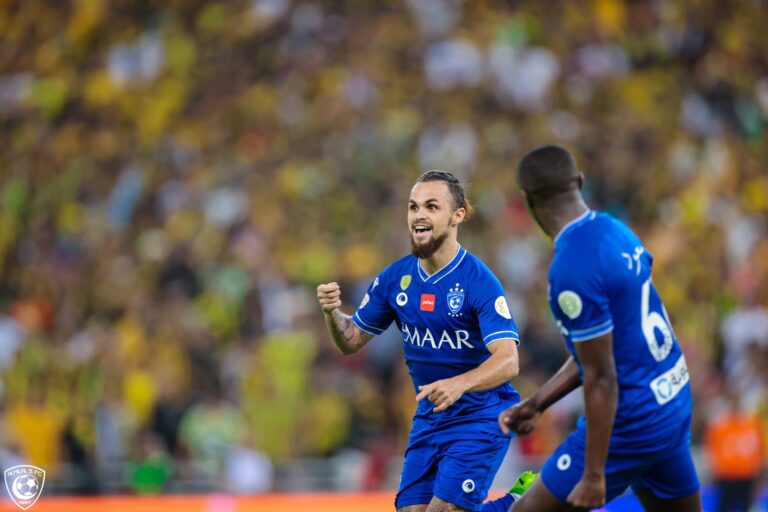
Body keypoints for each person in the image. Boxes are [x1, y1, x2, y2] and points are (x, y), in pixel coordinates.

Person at [497, 145, 702, 512]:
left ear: (527, 200)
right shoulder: (617, 230)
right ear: (579, 182)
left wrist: (593, 474)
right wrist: (539, 402)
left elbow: (601, 374)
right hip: (671, 403)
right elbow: (605, 349)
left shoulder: (570, 270)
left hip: (630, 422)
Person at [317, 170, 522, 512]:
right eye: (413, 207)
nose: (419, 215)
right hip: (430, 416)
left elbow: (508, 360)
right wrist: (332, 313)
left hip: (481, 415)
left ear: (457, 216)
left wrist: (460, 384)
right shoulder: (395, 278)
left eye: (431, 206)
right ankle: (520, 504)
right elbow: (351, 340)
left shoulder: (479, 282)